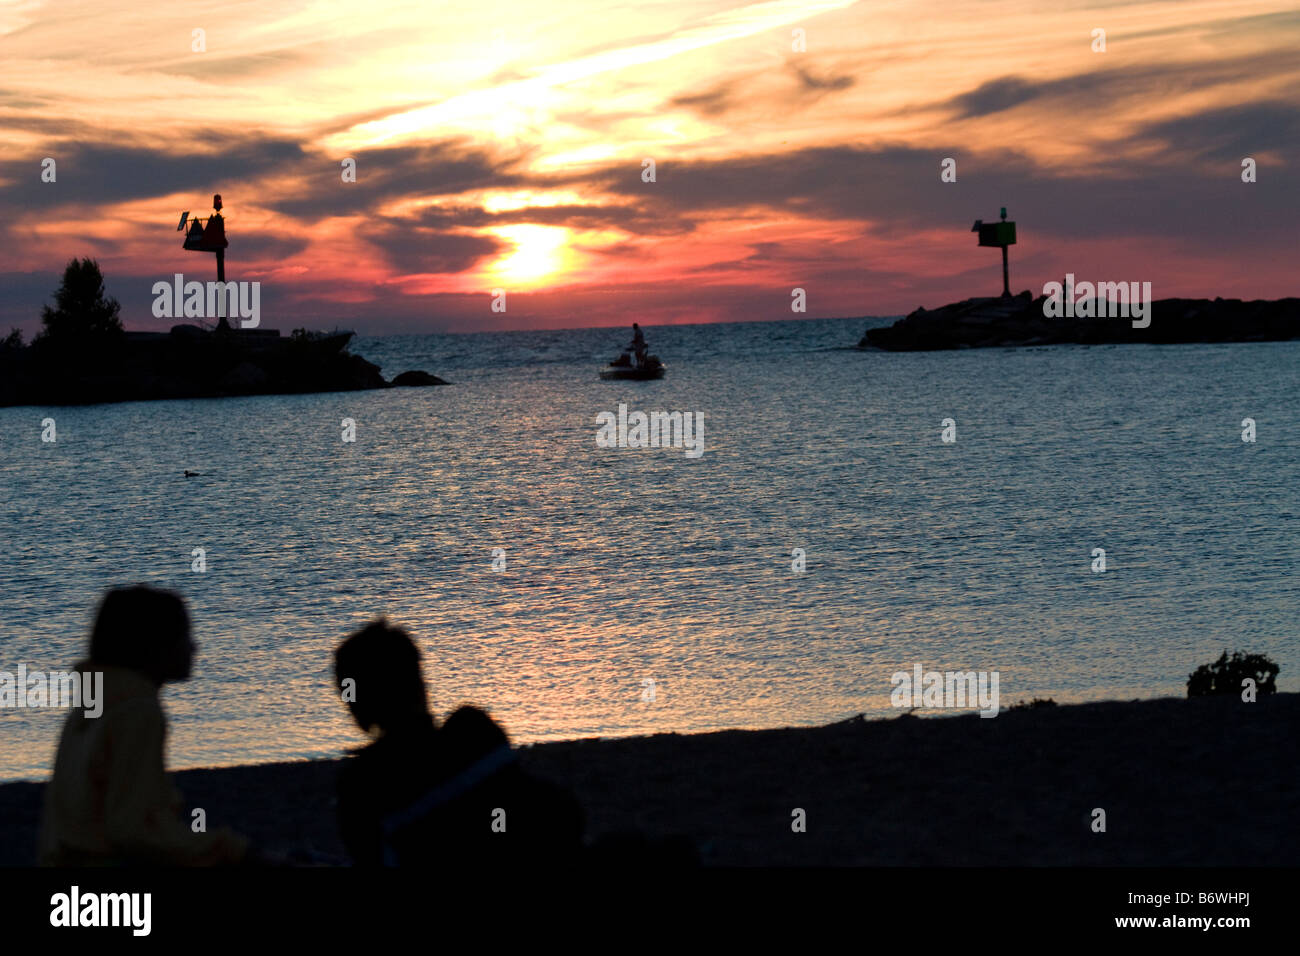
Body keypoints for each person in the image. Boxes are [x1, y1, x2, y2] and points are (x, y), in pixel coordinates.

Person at [334, 618, 583, 866]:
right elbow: (560, 813)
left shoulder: (361, 788)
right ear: (420, 684)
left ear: (357, 708)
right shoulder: (476, 735)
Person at [38, 586, 251, 866]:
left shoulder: (89, 706)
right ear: (155, 644)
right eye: (184, 634)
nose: (194, 646)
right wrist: (225, 849)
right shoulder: (138, 712)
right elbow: (130, 830)